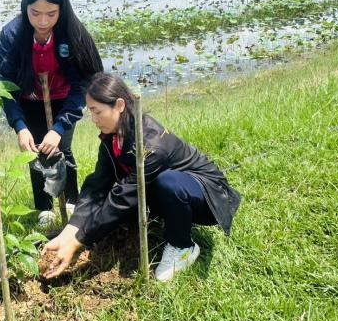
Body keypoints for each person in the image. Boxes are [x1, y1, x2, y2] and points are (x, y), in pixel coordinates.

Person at [43, 72, 241, 282]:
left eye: (97, 111)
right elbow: (97, 185)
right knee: (126, 194)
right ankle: (168, 220)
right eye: (90, 112)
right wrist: (71, 230)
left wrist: (78, 241)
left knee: (168, 183)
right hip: (170, 194)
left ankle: (182, 246)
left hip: (206, 196)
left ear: (119, 105)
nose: (94, 120)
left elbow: (123, 197)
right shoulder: (113, 137)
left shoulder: (151, 144)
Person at [0, 0, 103, 226]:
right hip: (28, 99)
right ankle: (44, 208)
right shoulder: (12, 35)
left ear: (62, 10)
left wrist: (59, 127)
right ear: (25, 8)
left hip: (64, 99)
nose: (43, 21)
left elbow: (83, 83)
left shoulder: (72, 34)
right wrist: (19, 126)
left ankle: (71, 201)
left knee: (61, 147)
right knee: (36, 152)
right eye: (35, 13)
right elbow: (4, 86)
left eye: (51, 14)